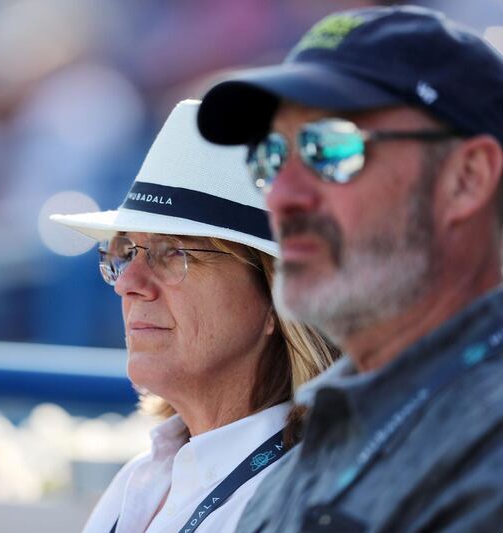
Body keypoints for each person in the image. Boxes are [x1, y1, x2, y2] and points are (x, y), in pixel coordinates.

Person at [196, 5, 503, 531]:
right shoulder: (310, 450)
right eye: (270, 157)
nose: (283, 196)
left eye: (331, 147)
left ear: (467, 178)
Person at [51, 100, 336, 532]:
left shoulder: (303, 503)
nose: (129, 282)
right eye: (125, 252)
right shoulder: (140, 478)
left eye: (173, 254)